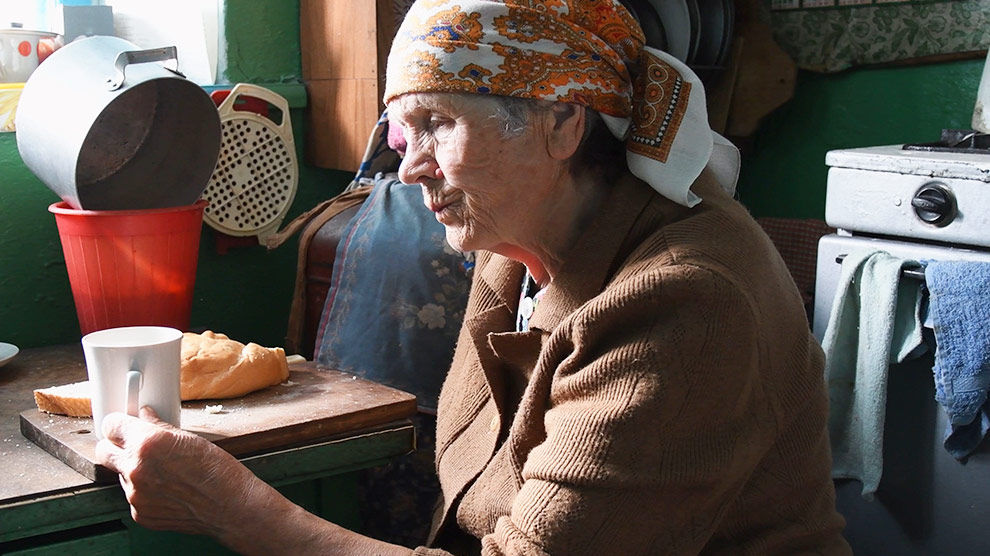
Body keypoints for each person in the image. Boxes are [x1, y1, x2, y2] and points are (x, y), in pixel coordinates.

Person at [96, 0, 852, 554]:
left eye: (438, 124)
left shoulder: (685, 302)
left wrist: (231, 507)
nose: (410, 167)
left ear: (563, 122)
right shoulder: (510, 244)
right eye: (406, 130)